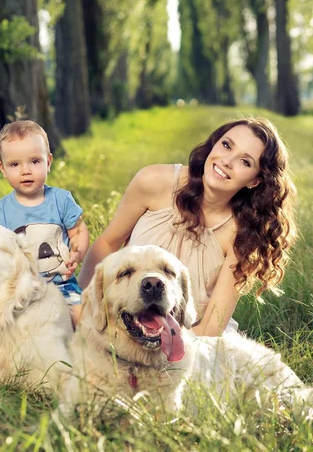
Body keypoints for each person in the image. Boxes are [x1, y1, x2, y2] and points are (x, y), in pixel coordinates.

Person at [78, 118, 297, 335]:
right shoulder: (153, 181)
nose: (226, 161)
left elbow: (211, 326)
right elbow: (107, 243)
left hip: (190, 336)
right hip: (126, 320)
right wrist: (83, 309)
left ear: (255, 181)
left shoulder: (243, 234)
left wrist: (168, 347)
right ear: (214, 144)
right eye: (226, 145)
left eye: (245, 162)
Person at [0, 120, 89, 306]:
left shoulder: (61, 200)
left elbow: (78, 231)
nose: (26, 171)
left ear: (48, 162)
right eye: (15, 164)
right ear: (3, 169)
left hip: (62, 284)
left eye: (34, 161)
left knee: (80, 315)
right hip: (18, 289)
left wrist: (77, 251)